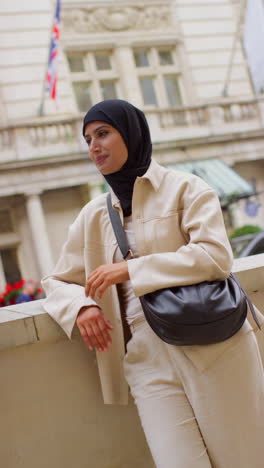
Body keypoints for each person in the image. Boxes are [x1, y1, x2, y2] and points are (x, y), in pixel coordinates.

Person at [42, 99, 264, 468]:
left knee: (246, 459)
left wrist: (131, 270)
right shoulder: (92, 215)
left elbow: (214, 257)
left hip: (214, 346)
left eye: (103, 133)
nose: (94, 146)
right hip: (145, 359)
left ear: (131, 132)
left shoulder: (186, 189)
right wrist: (81, 306)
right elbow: (56, 280)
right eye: (87, 140)